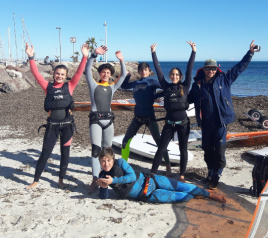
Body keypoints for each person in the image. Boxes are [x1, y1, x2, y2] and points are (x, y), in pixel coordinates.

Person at [188, 40, 257, 189]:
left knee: (219, 150)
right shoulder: (198, 85)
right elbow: (189, 99)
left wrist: (250, 53)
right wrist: (173, 99)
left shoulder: (224, 79)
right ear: (204, 69)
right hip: (206, 123)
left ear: (216, 69)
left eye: (213, 69)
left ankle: (216, 175)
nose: (210, 71)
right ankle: (210, 171)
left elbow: (239, 68)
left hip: (220, 122)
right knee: (207, 148)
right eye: (208, 69)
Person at [25, 42, 89, 189]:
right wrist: (31, 57)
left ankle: (60, 179)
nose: (59, 76)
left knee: (65, 154)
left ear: (66, 76)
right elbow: (36, 74)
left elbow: (79, 73)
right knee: (45, 154)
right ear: (54, 74)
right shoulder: (47, 87)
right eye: (57, 74)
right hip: (52, 126)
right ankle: (35, 180)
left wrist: (84, 57)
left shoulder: (70, 86)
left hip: (68, 126)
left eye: (62, 74)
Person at [97, 147, 226, 203]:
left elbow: (131, 177)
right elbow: (103, 197)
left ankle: (210, 194)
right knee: (184, 198)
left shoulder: (120, 162)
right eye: (103, 161)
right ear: (100, 162)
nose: (106, 163)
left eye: (108, 160)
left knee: (182, 187)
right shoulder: (103, 175)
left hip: (152, 181)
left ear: (112, 160)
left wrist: (113, 180)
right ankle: (198, 194)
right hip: (148, 195)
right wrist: (102, 185)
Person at [150, 41, 195, 182]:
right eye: (172, 74)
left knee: (183, 150)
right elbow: (158, 70)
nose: (174, 76)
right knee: (161, 149)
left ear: (180, 77)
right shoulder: (166, 87)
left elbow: (189, 68)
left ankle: (181, 175)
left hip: (183, 124)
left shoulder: (186, 86)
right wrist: (153, 53)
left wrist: (193, 52)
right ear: (170, 76)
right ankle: (152, 173)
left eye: (177, 75)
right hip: (169, 123)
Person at [85, 45, 127, 191]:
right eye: (103, 72)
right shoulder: (93, 84)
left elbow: (123, 76)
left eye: (108, 72)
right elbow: (86, 70)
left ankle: (108, 177)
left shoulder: (112, 87)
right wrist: (93, 55)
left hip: (109, 121)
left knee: (108, 151)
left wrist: (121, 60)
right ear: (100, 73)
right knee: (96, 150)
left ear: (110, 75)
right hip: (96, 120)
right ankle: (95, 179)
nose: (105, 74)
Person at [120, 63, 171, 176]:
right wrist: (127, 76)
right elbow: (123, 86)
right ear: (139, 71)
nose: (143, 72)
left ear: (149, 71)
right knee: (125, 140)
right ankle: (124, 164)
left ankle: (168, 166)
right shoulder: (136, 83)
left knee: (160, 143)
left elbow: (167, 88)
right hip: (137, 117)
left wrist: (156, 96)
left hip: (149, 117)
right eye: (141, 70)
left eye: (145, 70)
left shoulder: (152, 81)